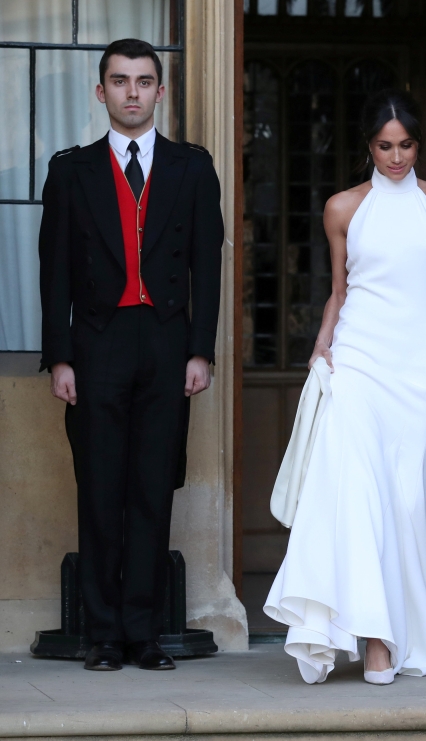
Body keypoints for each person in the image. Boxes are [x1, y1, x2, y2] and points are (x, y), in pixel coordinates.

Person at [264, 89, 426, 686]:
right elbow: (339, 291)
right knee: (357, 490)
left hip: (418, 367)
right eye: (385, 146)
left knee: (406, 498)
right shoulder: (342, 209)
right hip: (358, 358)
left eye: (406, 144)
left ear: (419, 143)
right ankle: (375, 638)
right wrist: (321, 345)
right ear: (368, 145)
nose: (396, 156)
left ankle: (405, 630)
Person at [39, 39, 224, 671]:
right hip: (96, 344)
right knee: (99, 488)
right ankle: (102, 634)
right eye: (120, 81)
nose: (133, 92)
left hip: (167, 343)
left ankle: (143, 634)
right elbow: (53, 273)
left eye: (144, 81)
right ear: (102, 92)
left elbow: (208, 265)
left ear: (160, 91)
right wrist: (59, 356)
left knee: (151, 488)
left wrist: (201, 350)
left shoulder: (192, 168)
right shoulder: (71, 171)